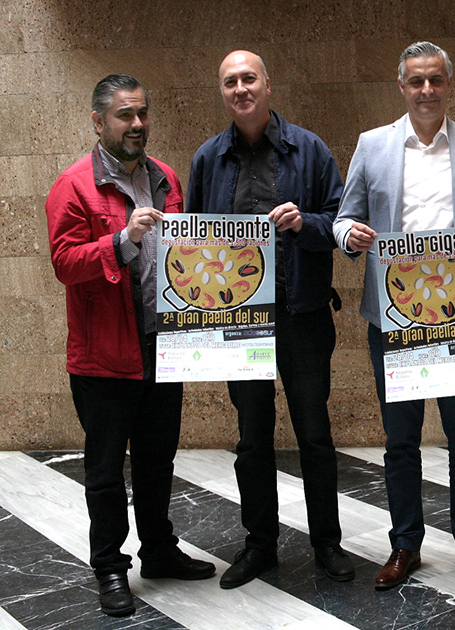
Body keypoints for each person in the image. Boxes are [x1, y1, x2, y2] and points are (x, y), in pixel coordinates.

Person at [333, 41, 455, 589]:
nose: (427, 90)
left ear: (448, 84)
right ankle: (405, 544)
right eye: (417, 81)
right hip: (396, 317)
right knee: (400, 441)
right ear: (402, 86)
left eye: (436, 79)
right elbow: (344, 218)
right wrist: (349, 236)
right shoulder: (373, 145)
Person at [45, 74, 215, 617]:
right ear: (99, 122)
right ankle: (110, 569)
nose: (137, 124)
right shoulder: (73, 186)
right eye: (125, 115)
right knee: (104, 471)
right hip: (103, 356)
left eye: (142, 113)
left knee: (157, 459)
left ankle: (159, 551)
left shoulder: (165, 177)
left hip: (162, 346)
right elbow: (65, 263)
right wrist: (123, 240)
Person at [186, 51, 352, 588]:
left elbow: (341, 223)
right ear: (222, 91)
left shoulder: (310, 149)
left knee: (315, 435)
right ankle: (259, 545)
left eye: (249, 78)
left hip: (303, 315)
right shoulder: (208, 159)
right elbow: (191, 239)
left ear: (267, 84)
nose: (240, 88)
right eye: (230, 81)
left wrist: (305, 223)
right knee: (252, 439)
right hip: (240, 323)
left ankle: (327, 543)